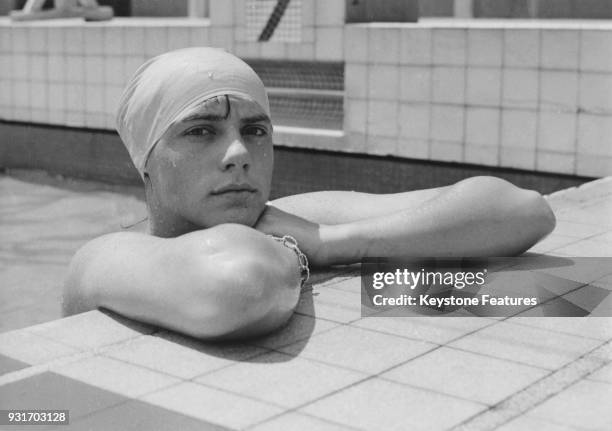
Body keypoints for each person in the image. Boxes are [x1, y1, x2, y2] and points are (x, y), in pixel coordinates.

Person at [63, 47, 556, 340]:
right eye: (200, 132)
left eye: (255, 130)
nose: (239, 152)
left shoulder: (294, 218)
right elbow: (233, 287)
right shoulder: (103, 258)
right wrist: (307, 247)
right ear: (145, 160)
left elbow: (522, 210)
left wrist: (337, 243)